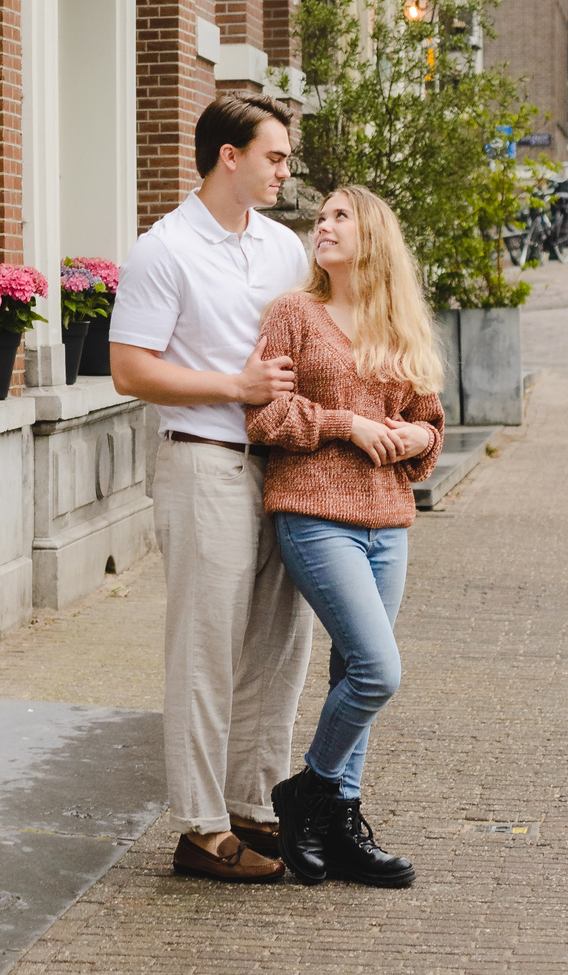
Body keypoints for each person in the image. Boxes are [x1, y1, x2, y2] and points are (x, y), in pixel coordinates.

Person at [109, 95, 314, 883]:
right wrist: (236, 386)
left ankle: (253, 804)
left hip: (282, 466)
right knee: (206, 647)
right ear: (229, 156)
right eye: (275, 156)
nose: (284, 170)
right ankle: (199, 830)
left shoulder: (283, 247)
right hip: (205, 462)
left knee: (279, 642)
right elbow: (130, 368)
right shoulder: (164, 250)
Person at [247, 185, 444, 888]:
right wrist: (346, 424)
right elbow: (265, 415)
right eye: (320, 216)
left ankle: (339, 820)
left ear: (374, 238)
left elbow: (429, 419)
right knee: (377, 670)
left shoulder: (399, 325)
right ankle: (308, 792)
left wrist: (416, 431)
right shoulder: (295, 313)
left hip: (388, 520)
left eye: (339, 216)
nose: (321, 226)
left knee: (350, 673)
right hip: (314, 510)